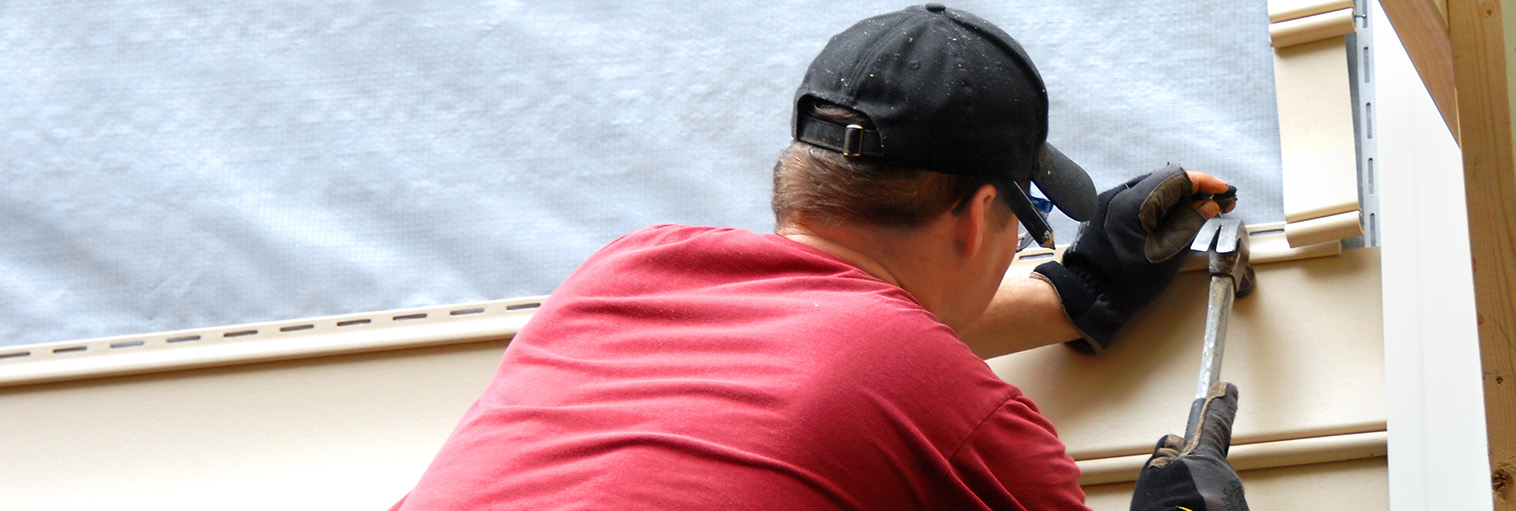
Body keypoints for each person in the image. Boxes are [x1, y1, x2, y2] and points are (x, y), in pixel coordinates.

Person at [393, 4, 1248, 510]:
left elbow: (827, 342)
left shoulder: (625, 272)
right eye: (1023, 230)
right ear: (978, 214)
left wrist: (1079, 290)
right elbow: (883, 359)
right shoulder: (974, 425)